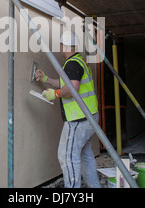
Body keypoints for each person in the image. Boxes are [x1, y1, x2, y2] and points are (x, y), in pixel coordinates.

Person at [35, 31, 101, 188]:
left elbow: (72, 88)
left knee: (67, 156)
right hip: (90, 117)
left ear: (63, 46)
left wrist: (55, 94)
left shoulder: (71, 64)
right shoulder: (80, 61)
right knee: (85, 155)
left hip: (78, 120)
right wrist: (47, 80)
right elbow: (68, 83)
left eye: (60, 45)